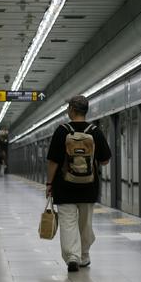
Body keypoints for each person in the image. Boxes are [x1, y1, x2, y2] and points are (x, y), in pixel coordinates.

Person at [46, 95, 111, 272]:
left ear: (72, 110)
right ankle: (84, 255)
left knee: (68, 223)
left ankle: (72, 257)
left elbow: (53, 161)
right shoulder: (95, 131)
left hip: (64, 186)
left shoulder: (61, 131)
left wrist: (49, 183)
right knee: (85, 223)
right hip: (88, 187)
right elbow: (105, 160)